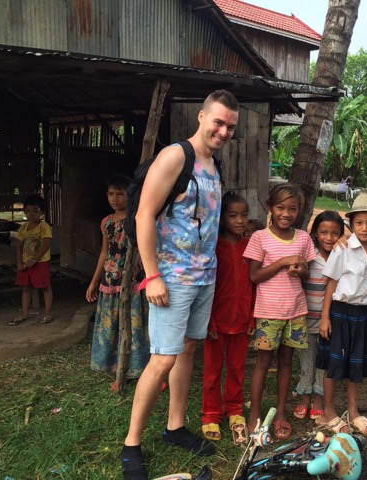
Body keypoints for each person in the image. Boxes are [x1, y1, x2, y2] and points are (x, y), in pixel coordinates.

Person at [121, 90, 238, 479]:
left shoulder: (212, 163)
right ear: (202, 116)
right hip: (171, 277)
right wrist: (151, 275)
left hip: (204, 275)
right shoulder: (176, 155)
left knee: (188, 349)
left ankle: (174, 427)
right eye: (218, 122)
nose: (223, 131)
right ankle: (131, 445)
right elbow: (143, 215)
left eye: (230, 126)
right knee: (163, 358)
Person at [243, 183, 316, 441]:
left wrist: (300, 270)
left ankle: (281, 413)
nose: (286, 213)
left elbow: (307, 272)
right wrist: (283, 262)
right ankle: (255, 415)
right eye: (280, 207)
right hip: (268, 313)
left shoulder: (304, 239)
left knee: (286, 363)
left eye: (292, 209)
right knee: (263, 363)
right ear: (270, 208)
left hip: (295, 311)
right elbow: (254, 276)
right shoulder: (260, 238)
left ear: (300, 211)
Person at [316, 194, 367, 436]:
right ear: (351, 224)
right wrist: (325, 318)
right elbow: (331, 284)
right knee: (334, 363)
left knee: (355, 363)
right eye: (359, 223)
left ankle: (353, 411)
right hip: (340, 313)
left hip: (362, 314)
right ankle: (328, 411)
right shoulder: (343, 249)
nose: (364, 228)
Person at [201, 192, 255, 444]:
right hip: (216, 322)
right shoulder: (213, 248)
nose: (240, 221)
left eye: (244, 215)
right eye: (233, 216)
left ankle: (234, 409)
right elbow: (207, 287)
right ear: (221, 219)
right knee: (212, 371)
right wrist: (207, 320)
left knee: (237, 369)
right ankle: (210, 413)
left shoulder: (251, 248)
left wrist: (253, 317)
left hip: (243, 321)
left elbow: (255, 286)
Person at [86, 175, 149, 388]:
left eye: (120, 194)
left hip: (132, 280)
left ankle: (140, 369)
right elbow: (104, 252)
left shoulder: (138, 219)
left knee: (134, 325)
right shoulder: (106, 222)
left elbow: (144, 249)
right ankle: (116, 366)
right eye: (111, 194)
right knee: (112, 325)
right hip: (109, 280)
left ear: (130, 195)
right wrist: (94, 282)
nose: (115, 198)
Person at [294, 210, 345, 422]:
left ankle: (318, 399)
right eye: (324, 232)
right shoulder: (309, 255)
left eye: (335, 233)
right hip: (305, 317)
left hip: (329, 320)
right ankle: (305, 396)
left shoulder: (342, 256)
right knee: (307, 361)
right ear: (315, 233)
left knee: (323, 362)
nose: (329, 238)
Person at [9, 194, 54, 326]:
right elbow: (20, 247)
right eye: (28, 211)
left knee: (45, 287)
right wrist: (19, 262)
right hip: (25, 263)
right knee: (26, 288)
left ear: (42, 212)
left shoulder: (44, 226)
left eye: (35, 210)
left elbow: (46, 244)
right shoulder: (24, 228)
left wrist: (34, 259)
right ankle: (23, 314)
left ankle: (48, 314)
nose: (31, 214)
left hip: (40, 262)